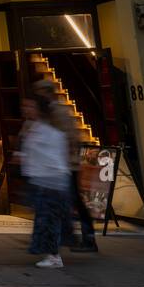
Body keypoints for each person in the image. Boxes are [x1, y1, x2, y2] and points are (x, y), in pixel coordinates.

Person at [32, 80, 97, 253]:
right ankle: (68, 236)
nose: (38, 95)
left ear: (48, 92)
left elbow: (70, 137)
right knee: (67, 200)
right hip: (60, 165)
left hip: (67, 165)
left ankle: (86, 236)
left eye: (40, 91)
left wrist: (64, 161)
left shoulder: (59, 111)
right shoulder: (50, 111)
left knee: (73, 200)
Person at [17, 95, 72, 269]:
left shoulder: (49, 130)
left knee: (49, 220)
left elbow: (54, 157)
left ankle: (54, 256)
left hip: (52, 182)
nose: (26, 109)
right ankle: (50, 254)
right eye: (25, 106)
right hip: (41, 180)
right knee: (44, 219)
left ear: (39, 109)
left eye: (30, 106)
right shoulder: (34, 127)